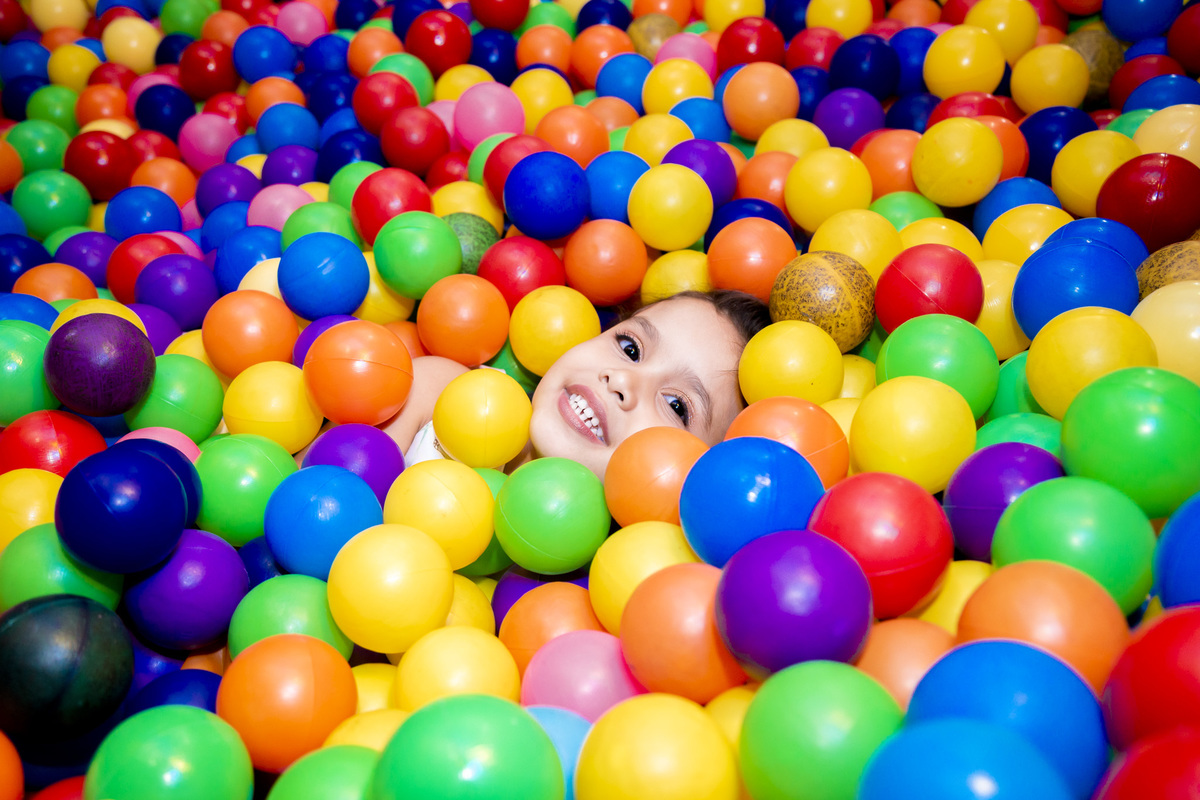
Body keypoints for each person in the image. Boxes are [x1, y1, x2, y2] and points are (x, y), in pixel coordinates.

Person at [382, 289, 772, 480]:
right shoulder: (439, 394)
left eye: (677, 406)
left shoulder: (602, 586)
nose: (622, 380)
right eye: (630, 348)